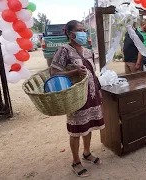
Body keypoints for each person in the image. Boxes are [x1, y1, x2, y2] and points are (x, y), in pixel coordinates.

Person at [50, 20, 105, 177]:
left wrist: (99, 90)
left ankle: (87, 153)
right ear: (69, 33)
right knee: (76, 130)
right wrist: (72, 72)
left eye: (84, 30)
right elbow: (53, 73)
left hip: (92, 94)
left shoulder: (88, 51)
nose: (83, 33)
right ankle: (75, 161)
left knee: (89, 125)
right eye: (79, 30)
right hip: (76, 97)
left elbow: (93, 73)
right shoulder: (64, 51)